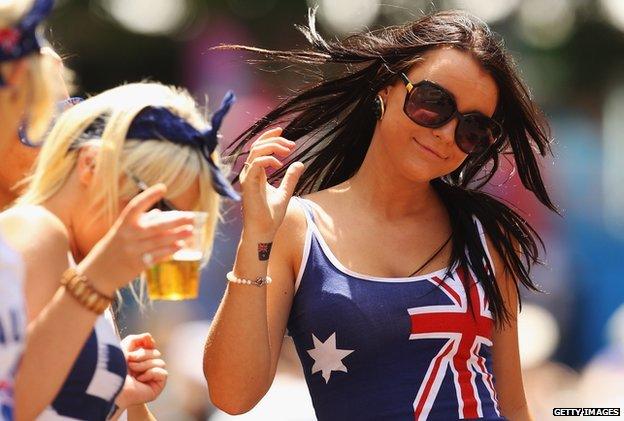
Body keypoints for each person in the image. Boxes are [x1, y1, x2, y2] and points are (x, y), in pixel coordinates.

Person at [204, 9, 558, 421]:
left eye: (473, 128)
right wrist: (256, 239)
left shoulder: (485, 235)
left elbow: (513, 405)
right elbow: (232, 396)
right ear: (386, 88)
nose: (446, 133)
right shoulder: (296, 229)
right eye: (433, 102)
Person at [1, 81, 238, 420]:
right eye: (160, 209)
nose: (165, 238)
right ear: (92, 164)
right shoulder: (36, 230)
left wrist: (121, 396)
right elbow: (10, 405)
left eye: (183, 223)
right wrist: (96, 281)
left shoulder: (82, 278)